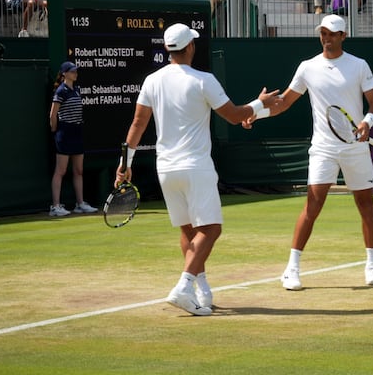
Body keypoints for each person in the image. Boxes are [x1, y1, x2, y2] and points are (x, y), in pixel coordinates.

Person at [117, 22, 281, 315]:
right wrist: (260, 103)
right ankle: (183, 286)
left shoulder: (152, 80)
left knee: (189, 229)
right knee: (211, 228)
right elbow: (234, 116)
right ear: (190, 47)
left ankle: (201, 289)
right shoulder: (204, 79)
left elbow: (137, 125)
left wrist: (124, 164)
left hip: (166, 169)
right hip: (195, 167)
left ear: (169, 49)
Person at [254, 14, 373, 291]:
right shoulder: (307, 67)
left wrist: (366, 123)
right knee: (313, 205)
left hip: (355, 148)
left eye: (332, 33)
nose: (327, 38)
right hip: (323, 148)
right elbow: (284, 102)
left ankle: (371, 265)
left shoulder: (359, 65)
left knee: (365, 205)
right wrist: (256, 113)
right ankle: (292, 269)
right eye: (323, 33)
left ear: (343, 36)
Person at [49, 61, 98, 217]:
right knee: (61, 171)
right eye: (72, 71)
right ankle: (55, 206)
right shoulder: (60, 91)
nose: (75, 74)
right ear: (65, 73)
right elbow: (52, 115)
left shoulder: (76, 90)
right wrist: (55, 130)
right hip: (64, 132)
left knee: (78, 170)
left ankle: (80, 204)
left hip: (77, 131)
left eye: (76, 71)